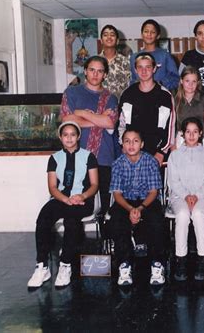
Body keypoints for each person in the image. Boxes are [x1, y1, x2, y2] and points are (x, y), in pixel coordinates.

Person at [27, 121, 99, 288]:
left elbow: (94, 185)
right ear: (60, 137)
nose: (69, 138)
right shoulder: (54, 158)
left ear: (78, 137)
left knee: (72, 221)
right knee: (43, 217)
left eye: (72, 134)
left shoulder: (89, 156)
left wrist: (82, 195)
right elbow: (52, 187)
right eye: (65, 135)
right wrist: (65, 199)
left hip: (83, 199)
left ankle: (65, 265)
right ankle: (42, 266)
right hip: (61, 198)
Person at [61, 55, 118, 218]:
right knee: (73, 207)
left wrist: (82, 114)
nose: (95, 74)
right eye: (92, 70)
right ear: (85, 71)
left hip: (103, 159)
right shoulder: (71, 93)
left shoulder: (110, 98)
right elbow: (67, 119)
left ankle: (107, 242)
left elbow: (110, 122)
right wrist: (99, 119)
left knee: (104, 209)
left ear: (105, 75)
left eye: (100, 71)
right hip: (76, 159)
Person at [109, 128, 166, 286]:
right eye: (127, 141)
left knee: (156, 220)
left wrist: (140, 208)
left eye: (135, 141)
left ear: (141, 144)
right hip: (125, 201)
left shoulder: (150, 161)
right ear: (122, 145)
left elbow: (154, 192)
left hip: (146, 200)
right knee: (117, 220)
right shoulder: (118, 164)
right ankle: (124, 265)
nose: (131, 145)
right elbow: (117, 194)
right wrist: (130, 209)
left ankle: (157, 264)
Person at [167, 117, 204, 281]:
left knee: (197, 214)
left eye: (195, 132)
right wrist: (185, 195)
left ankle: (203, 258)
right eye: (188, 132)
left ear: (201, 134)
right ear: (182, 134)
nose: (191, 135)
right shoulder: (174, 156)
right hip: (179, 196)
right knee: (182, 215)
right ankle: (180, 259)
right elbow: (173, 181)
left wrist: (197, 196)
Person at [118, 52, 175, 165]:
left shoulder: (165, 96)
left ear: (154, 69)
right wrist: (123, 145)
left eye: (148, 67)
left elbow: (170, 128)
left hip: (156, 155)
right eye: (140, 67)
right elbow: (121, 124)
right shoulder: (127, 94)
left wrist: (161, 152)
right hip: (131, 154)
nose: (144, 71)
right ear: (135, 70)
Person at [130, 19, 180, 91]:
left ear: (158, 36)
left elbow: (175, 79)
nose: (149, 34)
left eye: (152, 32)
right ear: (141, 35)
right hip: (140, 97)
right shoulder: (134, 57)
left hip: (161, 96)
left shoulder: (165, 56)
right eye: (146, 31)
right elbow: (133, 80)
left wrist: (159, 84)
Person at [174, 66, 204, 151]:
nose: (190, 85)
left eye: (194, 81)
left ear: (198, 83)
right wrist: (174, 150)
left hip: (202, 142)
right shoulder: (175, 100)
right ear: (181, 81)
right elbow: (172, 128)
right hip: (181, 142)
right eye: (187, 81)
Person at [99, 24, 131, 100]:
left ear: (117, 41)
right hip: (98, 106)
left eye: (112, 35)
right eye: (105, 35)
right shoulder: (94, 62)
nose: (109, 37)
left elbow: (131, 85)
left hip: (120, 105)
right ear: (101, 40)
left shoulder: (126, 62)